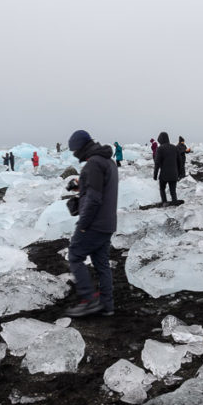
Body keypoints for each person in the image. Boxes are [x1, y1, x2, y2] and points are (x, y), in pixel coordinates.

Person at [64, 129, 118, 317]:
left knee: (75, 255)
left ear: (80, 147)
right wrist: (82, 186)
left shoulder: (93, 164)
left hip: (94, 223)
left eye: (74, 151)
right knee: (102, 263)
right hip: (108, 223)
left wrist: (83, 224)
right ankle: (106, 305)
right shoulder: (108, 162)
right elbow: (101, 187)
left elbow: (94, 199)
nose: (74, 154)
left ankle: (88, 300)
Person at [153, 132, 180, 204]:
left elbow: (157, 163)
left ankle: (164, 202)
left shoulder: (160, 149)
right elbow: (179, 162)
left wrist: (155, 175)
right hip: (174, 174)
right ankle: (174, 202)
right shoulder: (175, 148)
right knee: (173, 191)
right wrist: (180, 173)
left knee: (162, 189)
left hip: (164, 174)